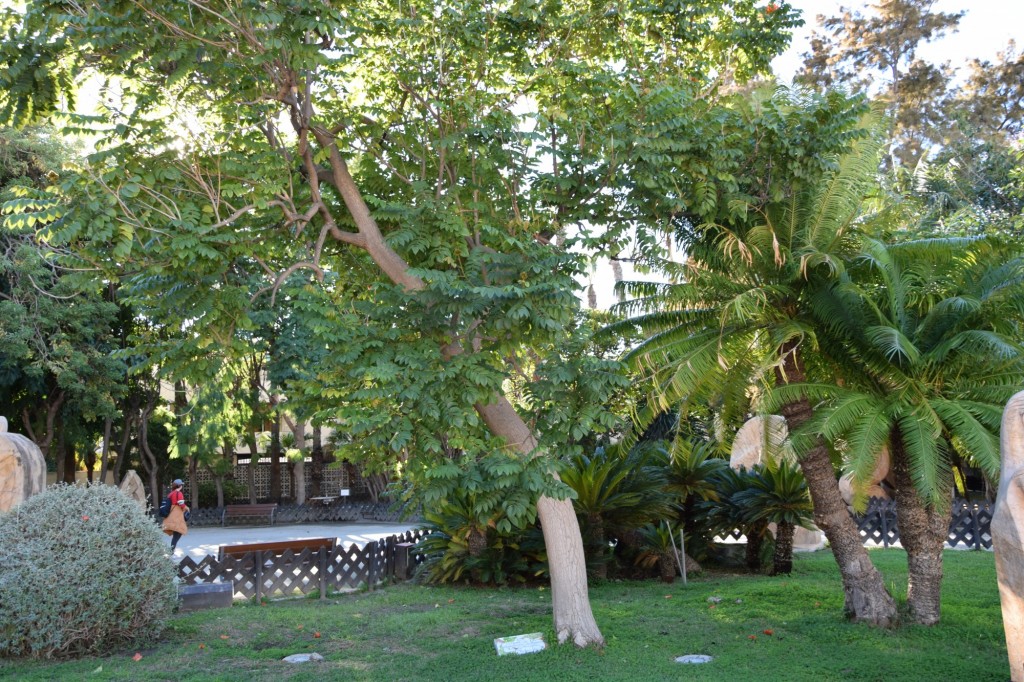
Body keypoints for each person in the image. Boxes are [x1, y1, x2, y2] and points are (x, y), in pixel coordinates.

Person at [162, 479, 189, 554]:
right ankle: (171, 551)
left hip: (171, 514)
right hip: (177, 514)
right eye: (181, 485)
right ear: (179, 485)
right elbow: (181, 503)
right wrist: (187, 508)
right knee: (179, 531)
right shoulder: (178, 493)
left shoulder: (171, 493)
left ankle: (171, 550)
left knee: (176, 533)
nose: (182, 486)